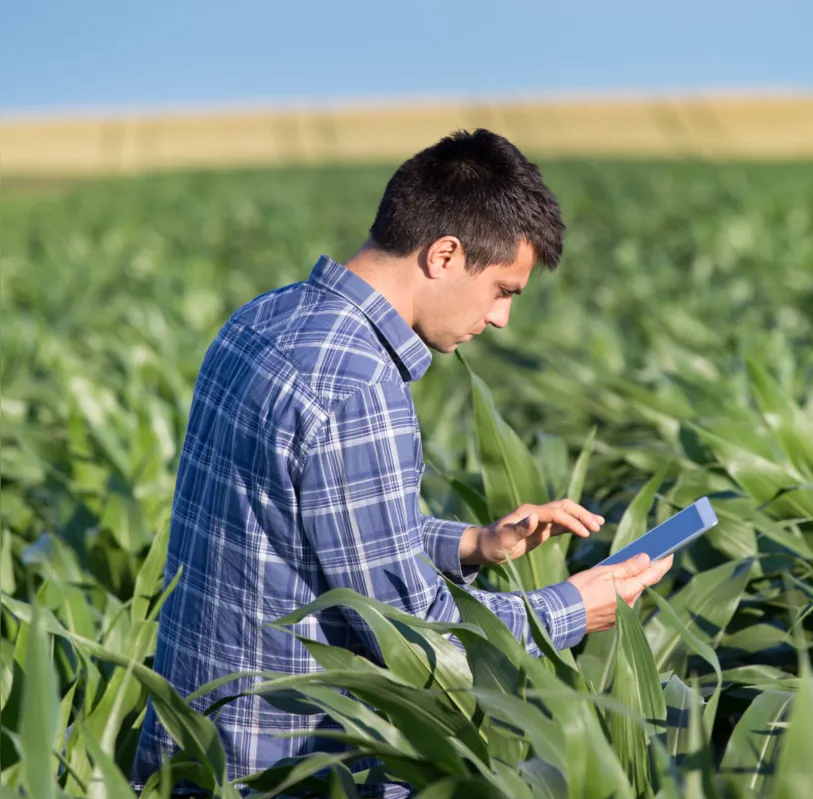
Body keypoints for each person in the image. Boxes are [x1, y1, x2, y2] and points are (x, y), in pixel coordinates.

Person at [130, 128, 674, 795]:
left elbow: (308, 524)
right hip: (286, 768)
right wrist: (570, 607)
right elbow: (418, 641)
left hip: (190, 751)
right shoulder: (358, 383)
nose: (502, 318)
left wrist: (476, 542)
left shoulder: (262, 319)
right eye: (504, 289)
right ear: (445, 254)